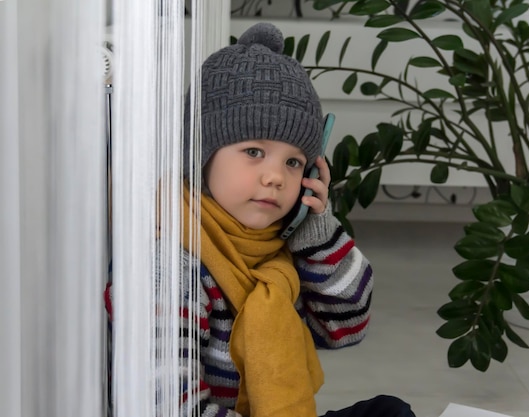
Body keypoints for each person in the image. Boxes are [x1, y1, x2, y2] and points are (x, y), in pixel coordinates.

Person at [106, 22, 416, 417]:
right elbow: (165, 404)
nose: (275, 177)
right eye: (254, 151)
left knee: (389, 412)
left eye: (293, 162)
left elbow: (346, 326)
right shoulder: (168, 265)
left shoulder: (278, 248)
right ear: (200, 154)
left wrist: (316, 232)